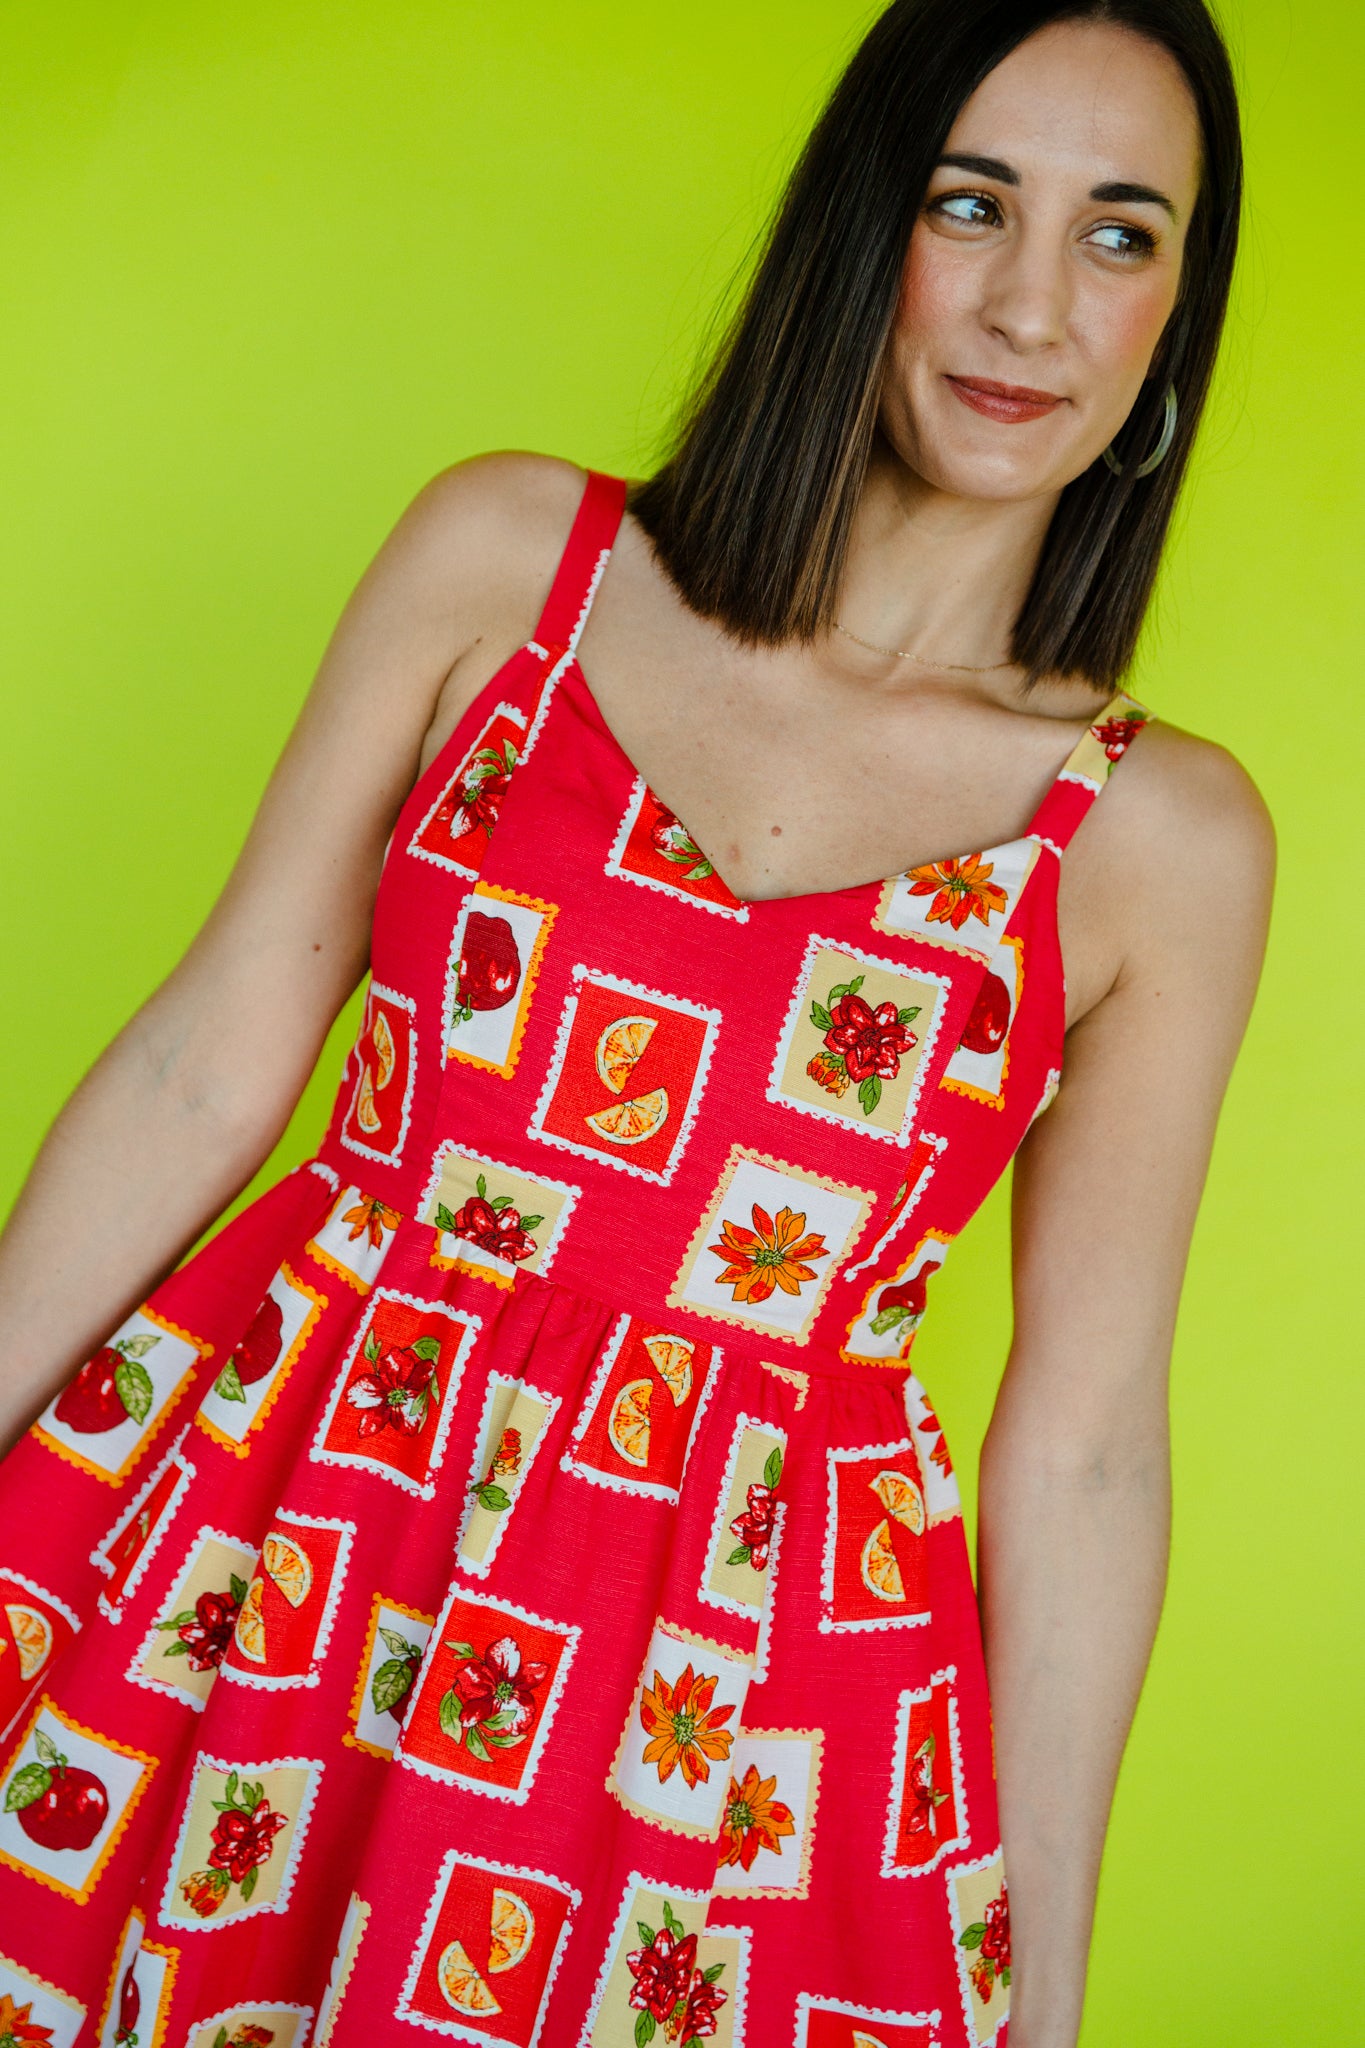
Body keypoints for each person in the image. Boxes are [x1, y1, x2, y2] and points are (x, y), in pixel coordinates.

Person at [0, 0, 1272, 2042]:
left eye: (1119, 234)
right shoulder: (513, 562)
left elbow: (1086, 1438)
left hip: (729, 1701)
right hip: (301, 1528)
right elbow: (210, 1053)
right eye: (971, 204)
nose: (1031, 305)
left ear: (1171, 319)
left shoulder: (1160, 840)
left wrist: (1040, 1995)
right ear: (862, 225)